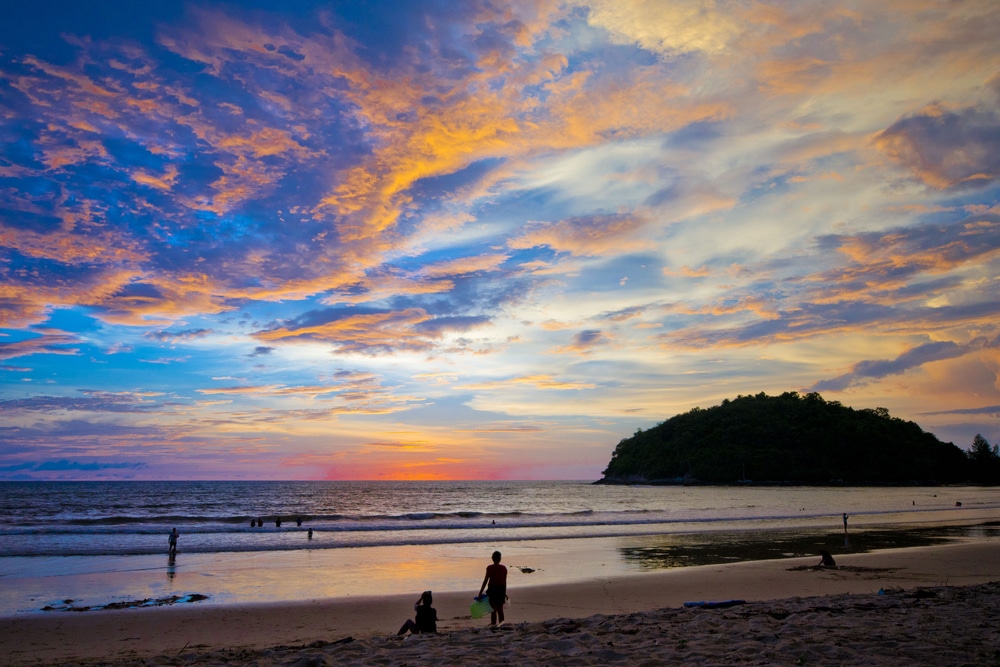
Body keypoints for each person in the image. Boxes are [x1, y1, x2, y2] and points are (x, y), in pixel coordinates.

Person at [478, 550, 508, 626]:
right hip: (501, 590)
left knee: (493, 609)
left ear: (492, 558)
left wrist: (480, 592)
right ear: (500, 559)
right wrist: (504, 593)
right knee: (500, 609)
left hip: (492, 590)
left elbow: (485, 581)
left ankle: (494, 624)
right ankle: (501, 623)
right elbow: (504, 582)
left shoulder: (489, 568)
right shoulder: (504, 568)